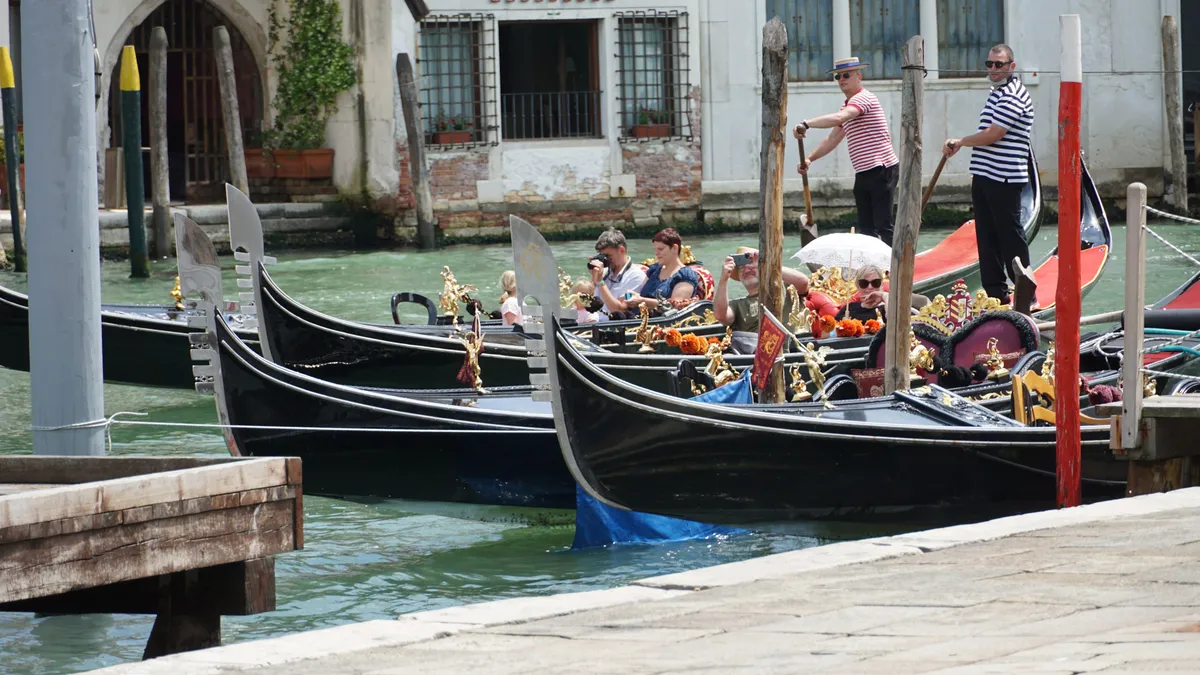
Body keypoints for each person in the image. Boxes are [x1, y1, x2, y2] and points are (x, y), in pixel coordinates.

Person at [943, 43, 1034, 303]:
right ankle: (996, 294)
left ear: (1011, 66)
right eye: (989, 64)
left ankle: (1026, 292)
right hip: (985, 175)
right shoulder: (997, 92)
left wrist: (960, 141)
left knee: (1009, 236)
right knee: (986, 236)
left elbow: (994, 134)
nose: (993, 69)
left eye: (999, 65)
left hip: (1004, 177)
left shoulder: (1013, 94)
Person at [793, 56, 899, 245]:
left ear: (859, 77)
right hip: (864, 171)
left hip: (881, 168)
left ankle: (896, 269)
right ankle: (873, 271)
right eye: (838, 77)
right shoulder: (848, 105)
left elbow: (838, 118)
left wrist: (806, 124)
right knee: (866, 228)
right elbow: (833, 138)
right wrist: (809, 159)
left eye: (846, 75)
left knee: (884, 224)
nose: (841, 79)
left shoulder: (864, 98)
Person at [714, 246, 814, 333]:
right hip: (755, 352)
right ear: (739, 277)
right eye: (741, 268)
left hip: (792, 350)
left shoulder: (785, 288)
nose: (746, 268)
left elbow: (803, 283)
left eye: (752, 264)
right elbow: (721, 316)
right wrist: (724, 278)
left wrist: (768, 265)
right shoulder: (737, 305)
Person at [624, 228, 702, 313]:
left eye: (660, 249)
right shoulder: (654, 269)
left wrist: (642, 300)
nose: (656, 253)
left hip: (664, 322)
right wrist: (634, 297)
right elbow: (642, 294)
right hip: (640, 316)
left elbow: (674, 307)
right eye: (655, 249)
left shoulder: (685, 275)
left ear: (674, 248)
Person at [588, 228, 648, 322]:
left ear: (621, 250)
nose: (605, 260)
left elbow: (620, 310)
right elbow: (589, 302)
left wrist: (600, 283)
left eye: (608, 256)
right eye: (602, 256)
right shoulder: (604, 272)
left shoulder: (635, 276)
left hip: (614, 329)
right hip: (593, 324)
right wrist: (594, 278)